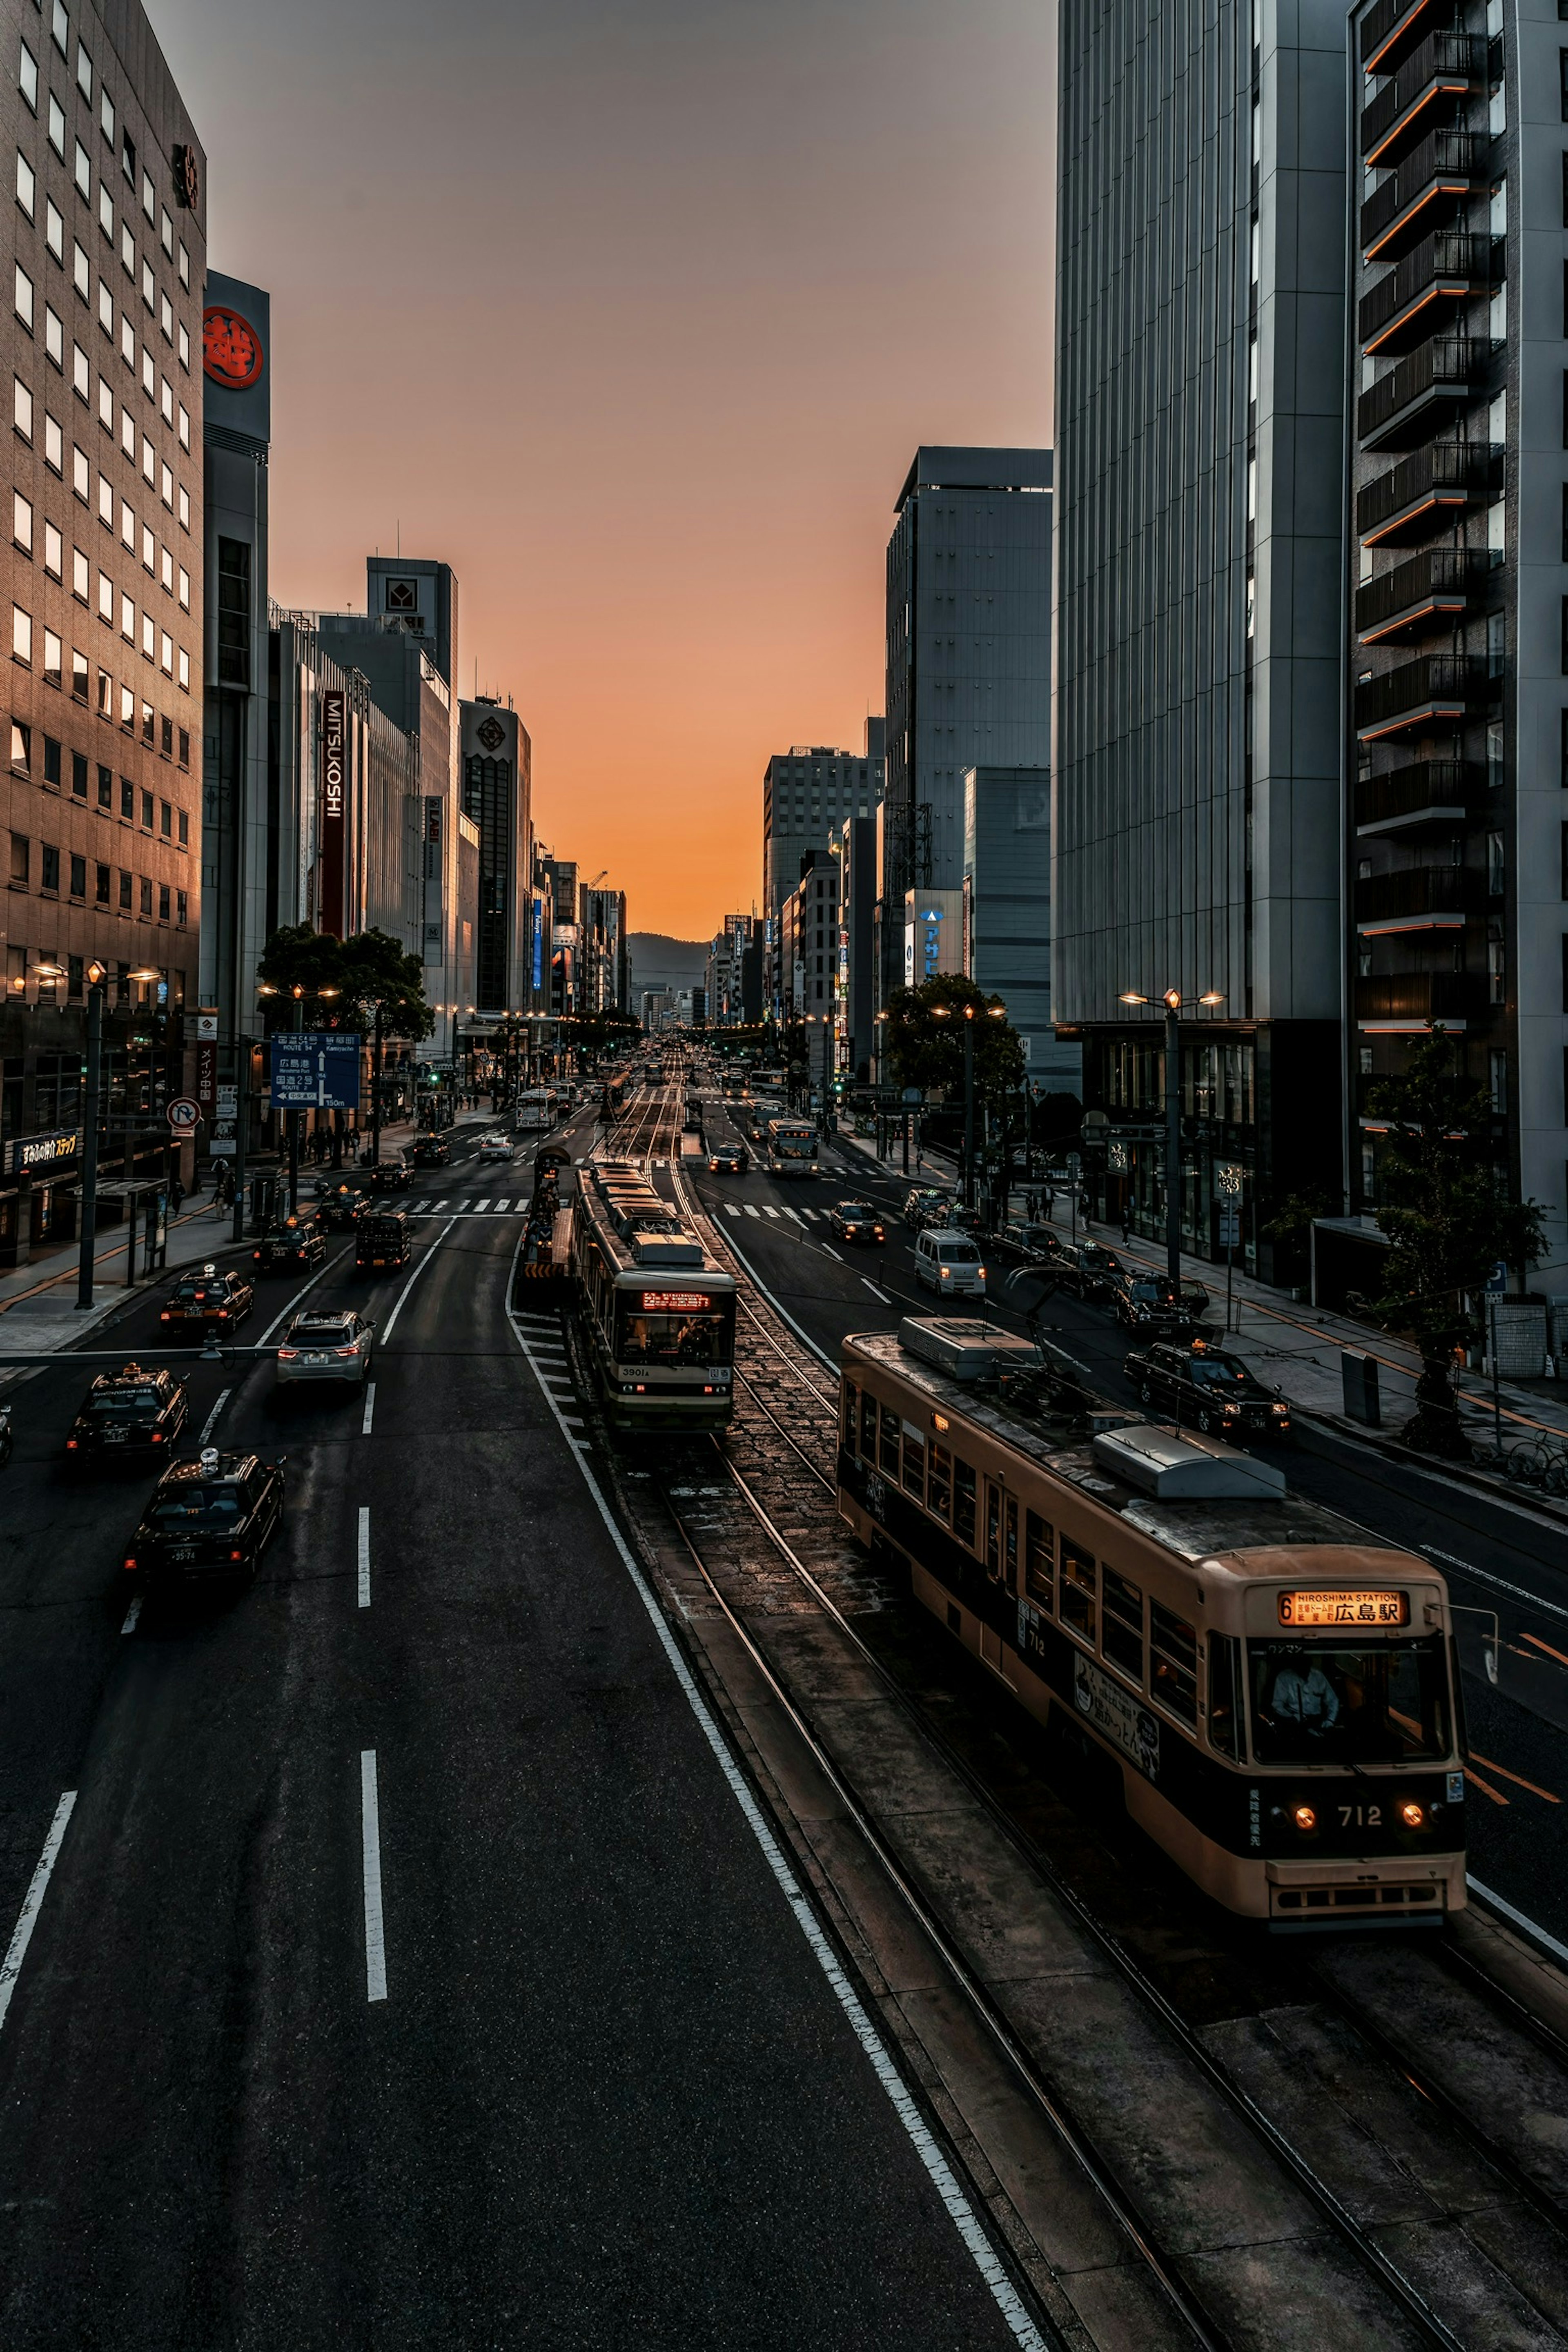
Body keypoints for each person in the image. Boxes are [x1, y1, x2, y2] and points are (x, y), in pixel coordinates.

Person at [1268, 1650, 1340, 1738]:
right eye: (1301, 1668)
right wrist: (1292, 1717)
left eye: (1307, 1668)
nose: (1304, 1672)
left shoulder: (1318, 1676)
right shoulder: (1284, 1678)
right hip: (1293, 1723)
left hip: (1316, 1721)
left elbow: (1333, 1700)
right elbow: (1277, 1705)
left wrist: (1330, 1720)